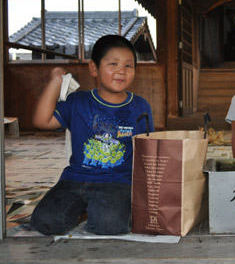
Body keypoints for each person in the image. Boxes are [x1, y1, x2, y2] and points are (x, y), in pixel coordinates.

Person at [30, 35, 154, 235]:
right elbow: (41, 121)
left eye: (128, 66)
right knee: (44, 222)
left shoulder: (140, 106)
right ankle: (84, 209)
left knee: (109, 225)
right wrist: (55, 81)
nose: (121, 70)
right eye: (113, 64)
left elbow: (147, 151)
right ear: (94, 68)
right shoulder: (78, 101)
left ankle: (95, 210)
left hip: (118, 181)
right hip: (75, 178)